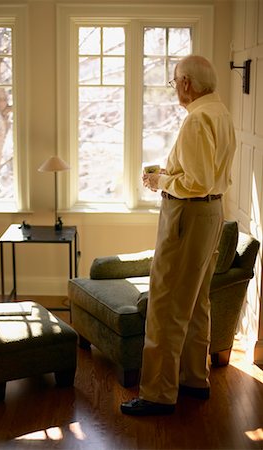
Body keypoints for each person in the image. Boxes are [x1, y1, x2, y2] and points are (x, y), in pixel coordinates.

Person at [120, 55, 236, 416]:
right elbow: (206, 175)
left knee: (167, 303)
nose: (175, 89)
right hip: (211, 212)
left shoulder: (197, 120)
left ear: (186, 83)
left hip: (188, 214)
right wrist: (172, 174)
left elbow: (195, 182)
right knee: (196, 299)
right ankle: (192, 379)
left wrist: (160, 181)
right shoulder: (221, 114)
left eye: (174, 82)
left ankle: (157, 393)